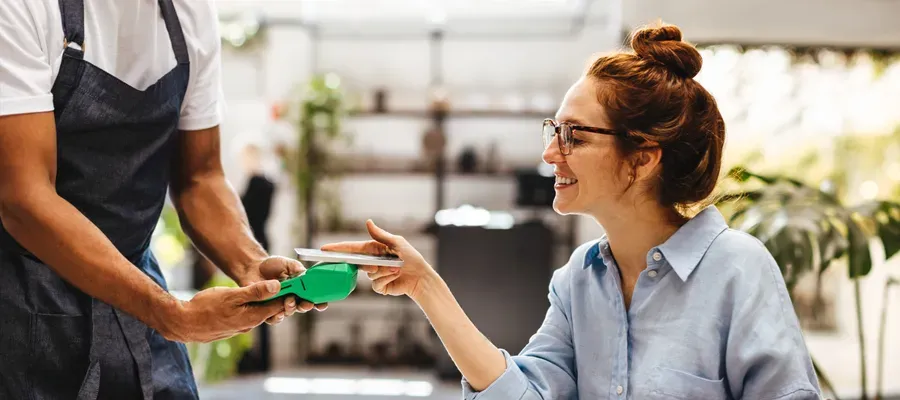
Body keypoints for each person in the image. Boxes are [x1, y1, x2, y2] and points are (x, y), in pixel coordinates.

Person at [322, 23, 823, 399]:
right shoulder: (578, 280)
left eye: (575, 135)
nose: (549, 153)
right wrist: (424, 286)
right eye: (554, 130)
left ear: (644, 156)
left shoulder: (738, 270)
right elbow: (526, 394)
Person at [0, 0, 325, 398]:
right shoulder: (23, 8)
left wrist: (251, 263)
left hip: (140, 297)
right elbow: (24, 199)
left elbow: (200, 176)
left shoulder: (191, 13)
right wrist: (169, 315)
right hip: (23, 308)